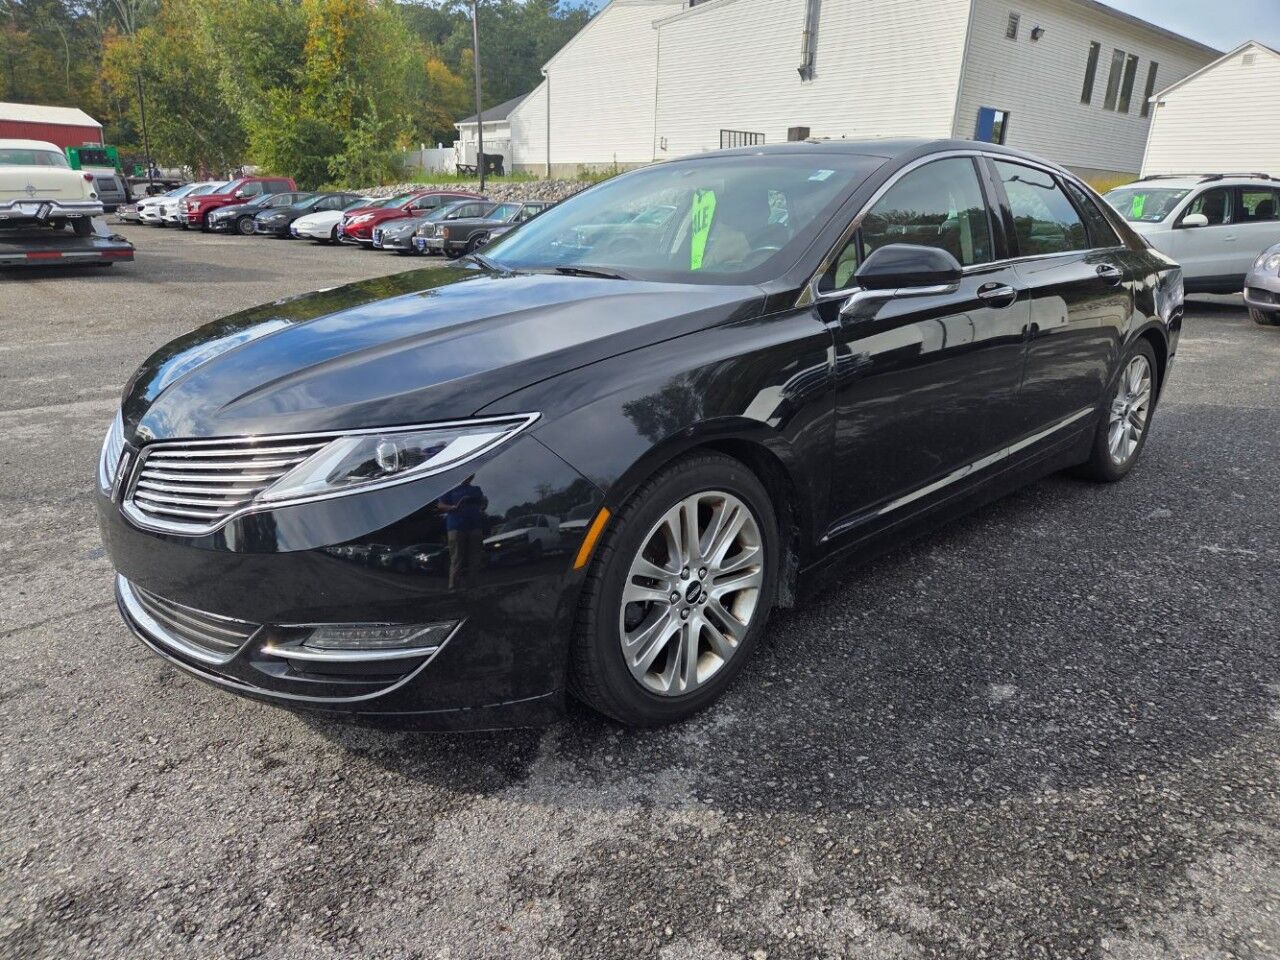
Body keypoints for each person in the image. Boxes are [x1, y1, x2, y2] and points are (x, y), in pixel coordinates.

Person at [438, 476, 486, 591]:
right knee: (456, 558)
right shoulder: (450, 489)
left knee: (475, 557)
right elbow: (440, 505)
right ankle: (453, 587)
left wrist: (483, 506)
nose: (468, 476)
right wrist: (452, 507)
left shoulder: (476, 489)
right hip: (456, 527)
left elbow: (483, 503)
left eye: (471, 474)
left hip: (475, 526)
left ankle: (472, 586)